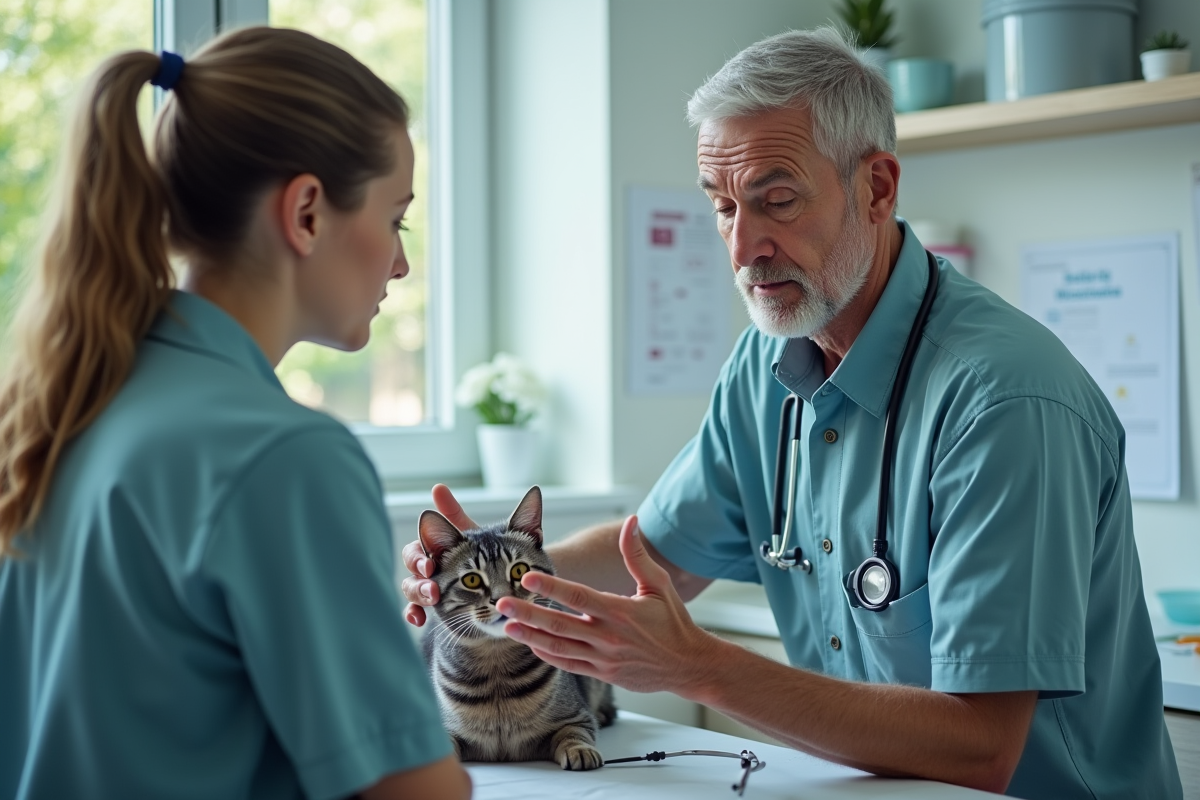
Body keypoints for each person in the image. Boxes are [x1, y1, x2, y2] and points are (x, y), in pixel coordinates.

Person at [402, 27, 1181, 799]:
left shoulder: (1006, 403)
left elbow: (981, 749)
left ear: (877, 188)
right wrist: (493, 580)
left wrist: (697, 665)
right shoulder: (763, 368)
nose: (744, 247)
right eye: (721, 207)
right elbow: (661, 555)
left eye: (777, 201)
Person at [0, 27, 471, 800]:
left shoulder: (54, 410)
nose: (400, 263)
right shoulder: (282, 458)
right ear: (308, 213)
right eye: (396, 220)